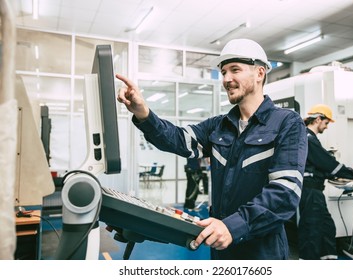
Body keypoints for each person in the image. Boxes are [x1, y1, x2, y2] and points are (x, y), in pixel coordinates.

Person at [116, 38, 308, 260]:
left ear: (260, 73)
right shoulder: (218, 126)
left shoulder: (287, 123)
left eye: (235, 69)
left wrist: (233, 226)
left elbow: (285, 192)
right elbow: (177, 139)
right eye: (223, 71)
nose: (226, 79)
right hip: (220, 246)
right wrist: (143, 113)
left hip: (261, 251)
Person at [298, 104, 353, 260]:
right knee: (312, 232)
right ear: (318, 119)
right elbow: (327, 163)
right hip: (311, 192)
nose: (326, 127)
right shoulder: (308, 139)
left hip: (312, 191)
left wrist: (334, 175)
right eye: (325, 123)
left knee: (326, 227)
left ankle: (329, 260)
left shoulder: (307, 137)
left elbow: (320, 165)